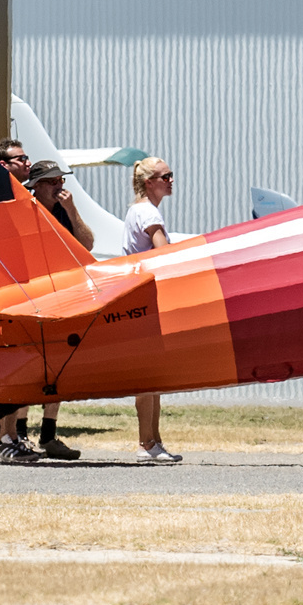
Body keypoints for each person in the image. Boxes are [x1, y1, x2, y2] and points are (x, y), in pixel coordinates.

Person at [14, 159, 94, 461]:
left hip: (60, 294)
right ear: (35, 187)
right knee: (30, 364)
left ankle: (48, 433)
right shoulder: (25, 213)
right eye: (52, 182)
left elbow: (86, 244)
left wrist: (72, 211)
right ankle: (20, 433)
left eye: (61, 181)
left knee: (59, 364)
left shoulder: (63, 212)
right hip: (31, 296)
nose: (59, 187)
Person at [124, 157, 183, 463]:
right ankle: (147, 442)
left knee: (153, 377)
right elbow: (164, 252)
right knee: (149, 377)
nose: (171, 180)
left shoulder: (142, 210)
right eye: (165, 176)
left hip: (145, 299)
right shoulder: (147, 211)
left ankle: (153, 441)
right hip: (146, 300)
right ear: (149, 182)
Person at [0, 140, 40, 463]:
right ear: (5, 165)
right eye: (21, 159)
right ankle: (4, 439)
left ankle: (9, 436)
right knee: (9, 366)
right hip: (6, 294)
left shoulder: (21, 197)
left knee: (20, 366)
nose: (27, 162)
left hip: (23, 291)